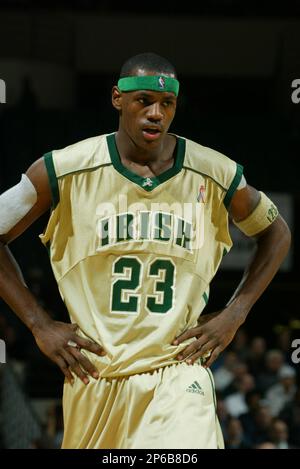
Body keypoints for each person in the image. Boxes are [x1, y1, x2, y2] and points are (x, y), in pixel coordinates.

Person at [0, 52, 291, 449]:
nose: (156, 113)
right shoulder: (62, 169)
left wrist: (235, 313)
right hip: (94, 377)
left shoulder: (215, 172)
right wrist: (37, 322)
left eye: (166, 104)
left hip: (177, 371)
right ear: (118, 99)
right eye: (143, 102)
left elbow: (277, 234)